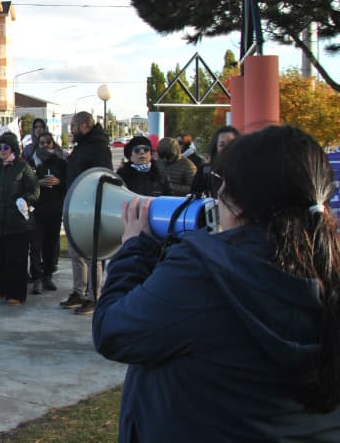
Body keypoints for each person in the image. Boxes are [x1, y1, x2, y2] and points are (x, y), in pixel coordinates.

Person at [94, 125, 340, 441]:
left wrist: (135, 249)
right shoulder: (327, 268)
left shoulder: (203, 273)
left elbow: (112, 330)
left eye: (223, 186)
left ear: (239, 200)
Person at [0, 132, 40, 306]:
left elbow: (34, 190)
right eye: (0, 147)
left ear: (13, 148)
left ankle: (17, 294)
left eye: (6, 147)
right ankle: (1, 289)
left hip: (17, 223)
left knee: (16, 260)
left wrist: (25, 200)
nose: (2, 150)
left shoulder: (22, 167)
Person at [60, 111, 112, 316]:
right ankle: (78, 292)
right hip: (75, 206)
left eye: (72, 127)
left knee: (92, 254)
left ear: (83, 126)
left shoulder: (98, 148)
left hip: (90, 208)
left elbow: (102, 177)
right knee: (76, 252)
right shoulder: (82, 146)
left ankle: (94, 297)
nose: (70, 131)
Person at [30, 132, 67, 293]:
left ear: (53, 144)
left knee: (51, 244)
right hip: (36, 209)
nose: (45, 145)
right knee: (36, 245)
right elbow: (25, 183)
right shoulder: (32, 161)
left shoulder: (60, 162)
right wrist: (38, 183)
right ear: (37, 145)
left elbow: (68, 182)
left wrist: (58, 182)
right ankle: (37, 277)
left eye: (48, 143)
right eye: (42, 143)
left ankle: (48, 275)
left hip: (54, 208)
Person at [190, 125, 240, 197]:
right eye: (222, 145)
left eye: (230, 143)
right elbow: (194, 194)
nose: (226, 148)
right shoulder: (205, 169)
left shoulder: (245, 169)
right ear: (216, 147)